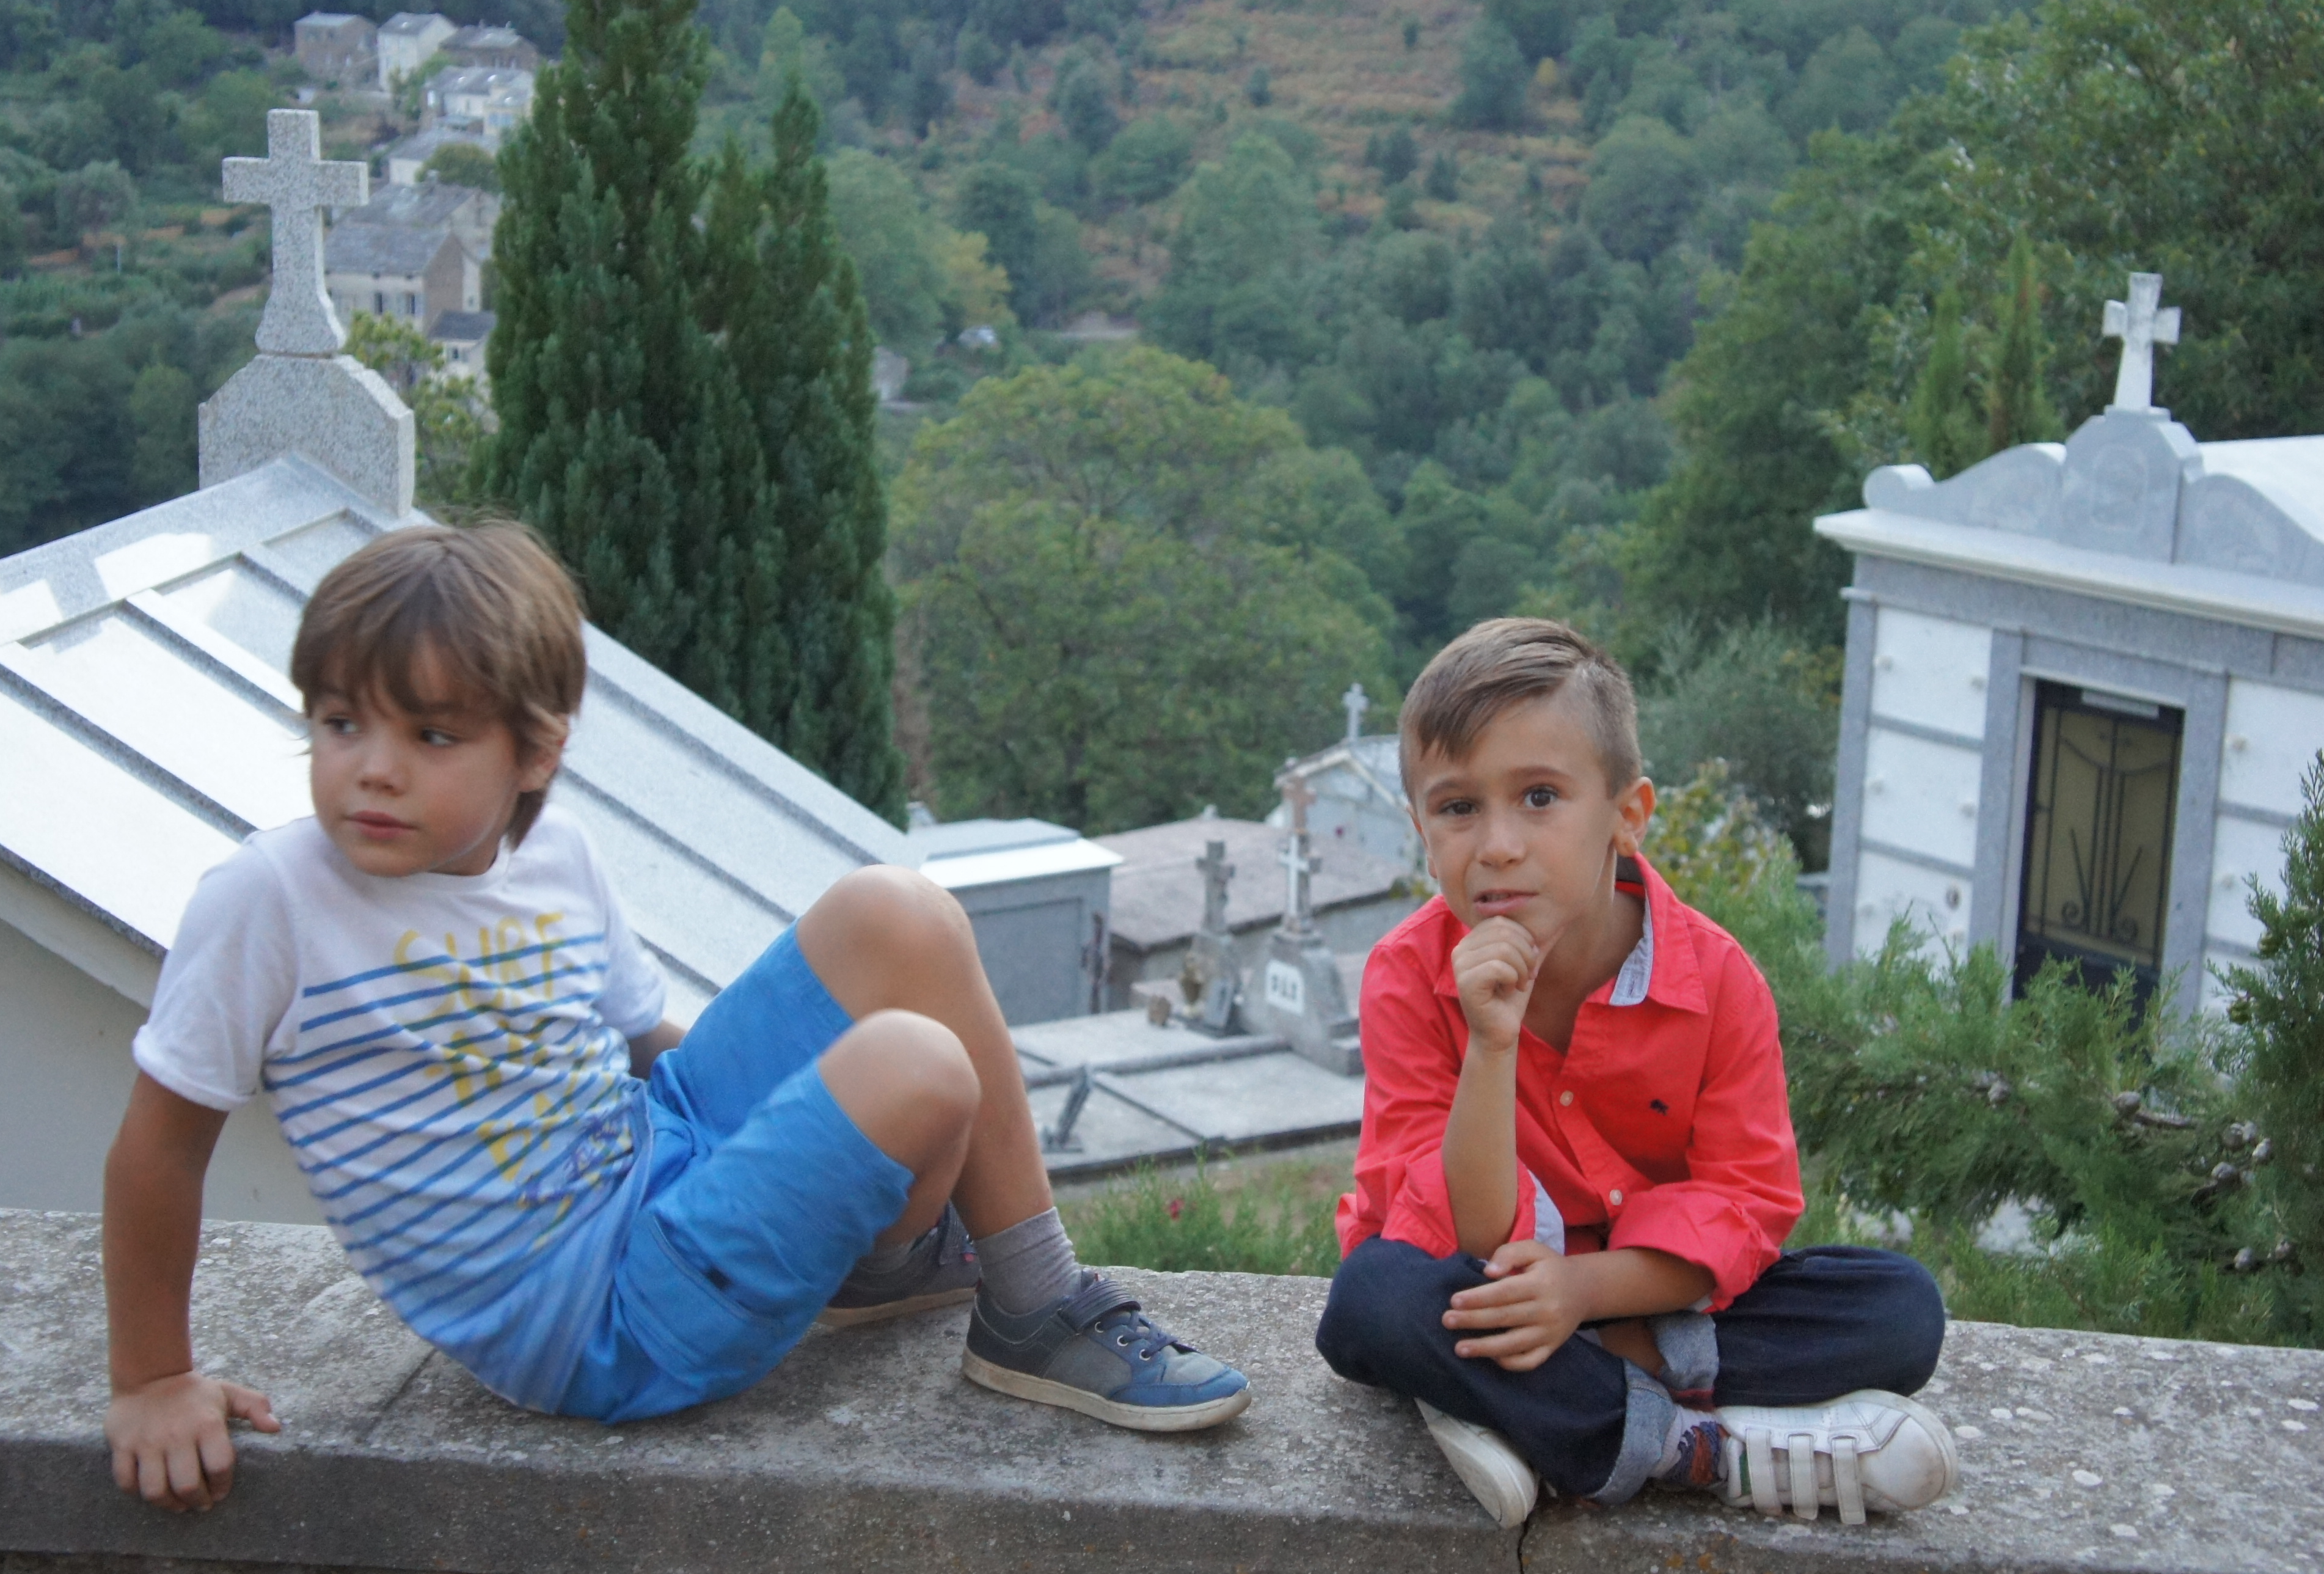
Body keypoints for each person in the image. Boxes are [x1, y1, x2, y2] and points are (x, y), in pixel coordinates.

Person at [101, 524, 1249, 1512]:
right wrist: (151, 1379)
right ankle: (1003, 1303)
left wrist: (803, 1154)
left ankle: (953, 1275)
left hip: (651, 1159)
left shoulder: (556, 853)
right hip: (599, 1325)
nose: (373, 771)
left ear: (536, 752)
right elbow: (160, 1148)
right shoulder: (269, 902)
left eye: (432, 736)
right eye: (342, 723)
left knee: (897, 911)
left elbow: (651, 1049)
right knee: (917, 1070)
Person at [1315, 618, 1954, 1528]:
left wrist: (1582, 1293)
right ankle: (1704, 1449)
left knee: (1899, 1310)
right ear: (1422, 830)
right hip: (1484, 1289)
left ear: (1628, 815)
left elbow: (1745, 1206)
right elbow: (1464, 1237)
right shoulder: (1407, 977)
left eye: (1540, 797)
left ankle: (1534, 1409)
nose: (1497, 844)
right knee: (1371, 1302)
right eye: (1458, 808)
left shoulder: (1718, 980)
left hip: (1642, 1293)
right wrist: (1491, 1047)